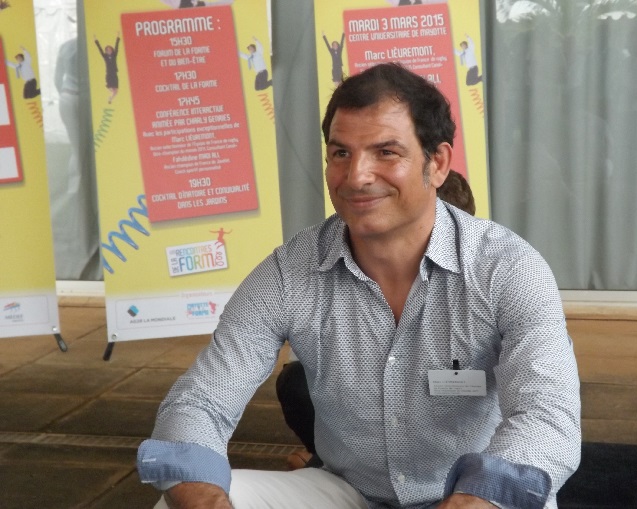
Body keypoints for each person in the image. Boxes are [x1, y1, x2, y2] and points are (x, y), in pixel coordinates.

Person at [138, 63, 581, 509]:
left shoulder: (507, 268)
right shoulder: (289, 272)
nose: (356, 177)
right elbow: (200, 401)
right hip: (350, 493)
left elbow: (547, 415)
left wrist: (477, 499)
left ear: (438, 163)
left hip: (470, 494)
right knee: (180, 502)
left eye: (386, 152)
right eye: (341, 154)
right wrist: (205, 500)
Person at [277, 170, 477, 470]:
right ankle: (331, 461)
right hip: (363, 430)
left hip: (459, 444)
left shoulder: (493, 273)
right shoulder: (332, 268)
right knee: (296, 381)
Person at [94, 32, 120, 104]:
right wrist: (96, 40)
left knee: (116, 91)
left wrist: (118, 37)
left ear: (112, 50)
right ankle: (110, 96)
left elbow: (117, 46)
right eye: (107, 50)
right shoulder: (105, 56)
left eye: (110, 49)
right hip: (109, 74)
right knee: (111, 88)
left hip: (114, 74)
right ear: (106, 51)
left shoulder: (114, 55)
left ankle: (110, 98)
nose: (109, 51)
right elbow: (100, 49)